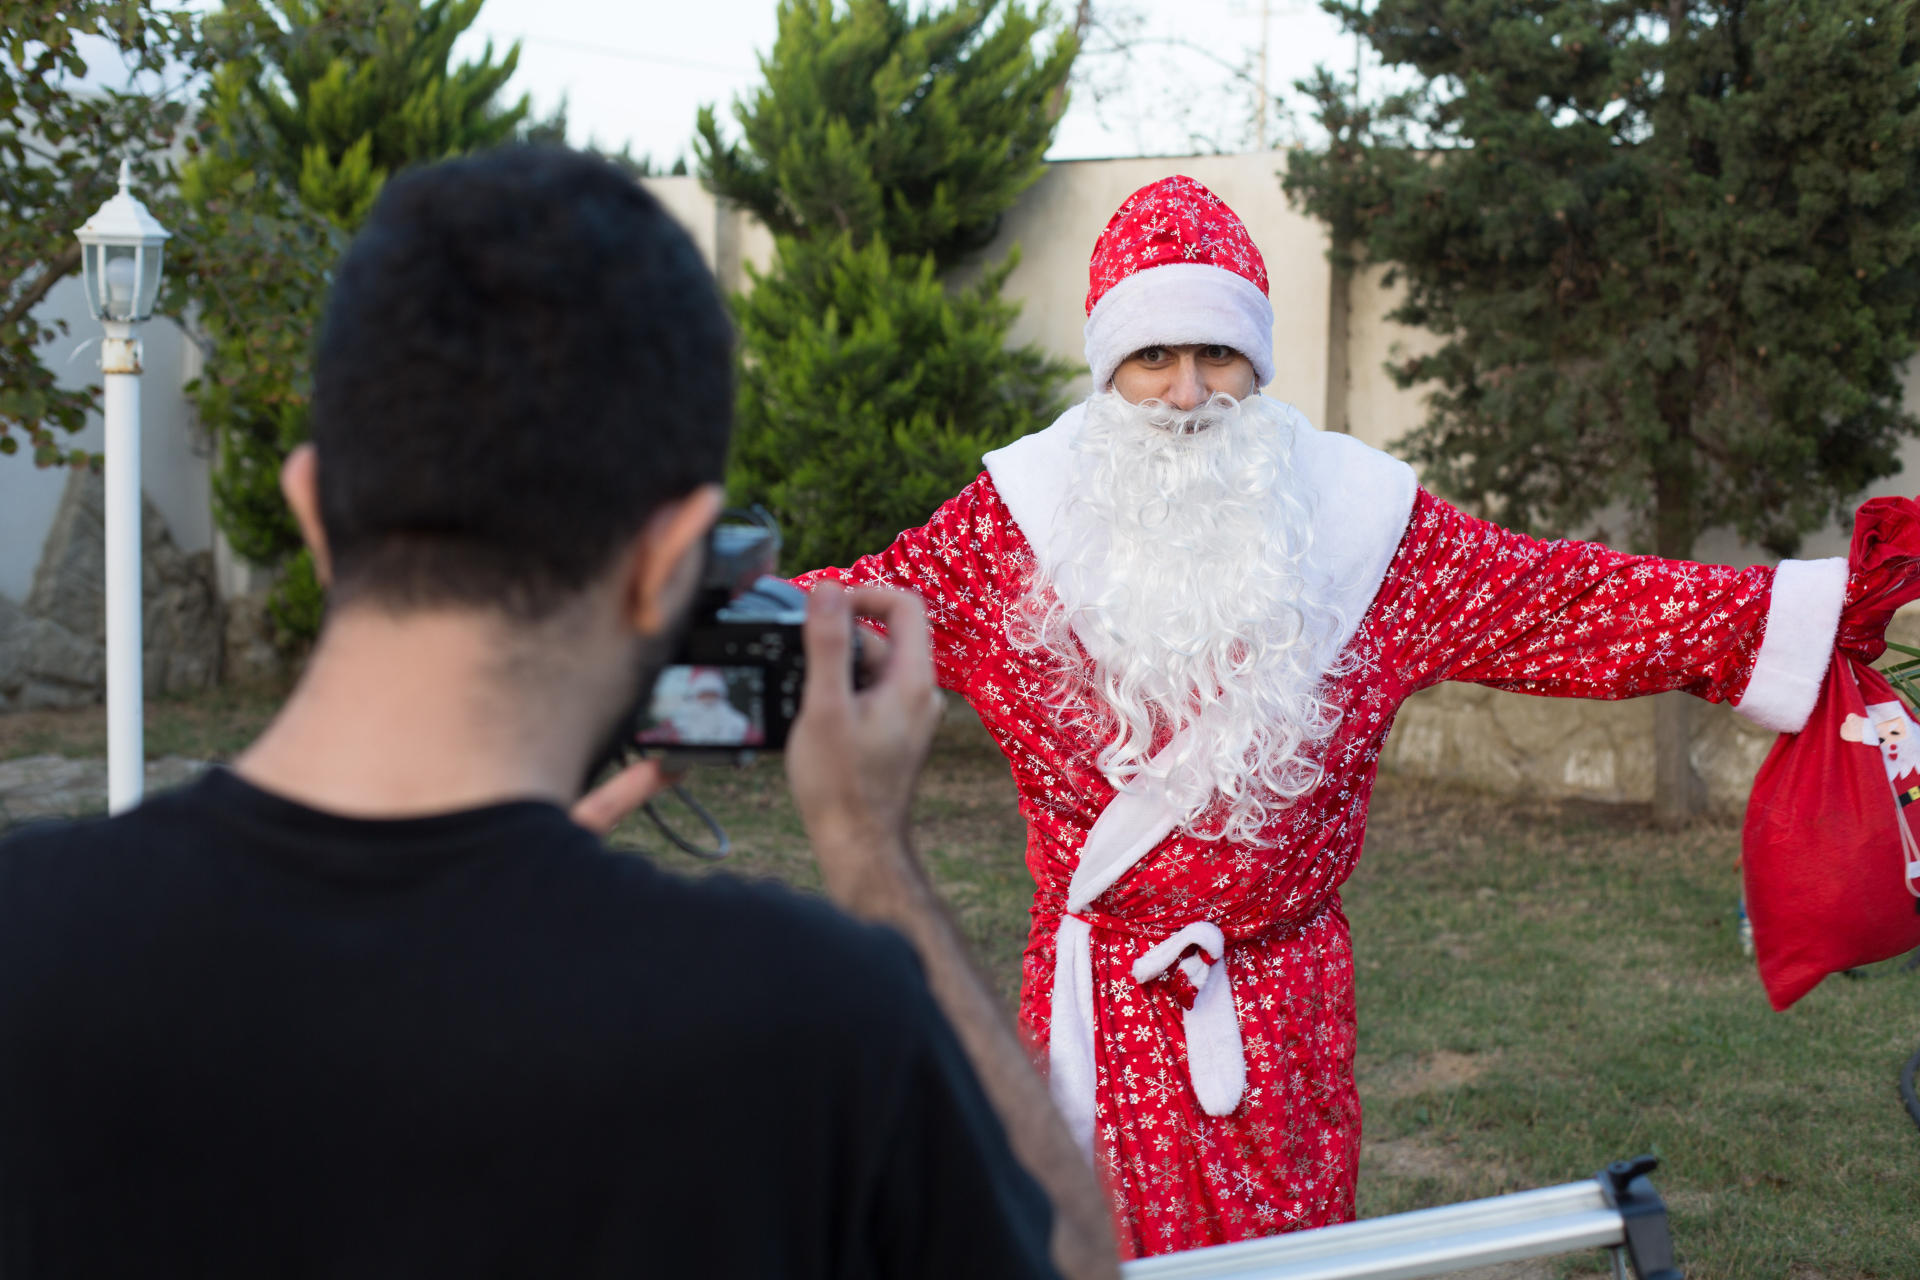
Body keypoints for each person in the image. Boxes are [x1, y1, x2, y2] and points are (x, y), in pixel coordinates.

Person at [0, 148, 1115, 1280]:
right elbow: (1074, 1259)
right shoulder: (807, 1023)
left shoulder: (27, 944)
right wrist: (875, 854)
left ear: (312, 509)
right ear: (670, 561)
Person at [797, 174, 1866, 1259]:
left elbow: (1562, 601)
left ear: (1256, 366)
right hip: (1095, 1006)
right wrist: (664, 623)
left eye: (1216, 354)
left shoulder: (1365, 526)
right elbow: (846, 619)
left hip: (1284, 1007)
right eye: (1152, 356)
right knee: (1081, 1249)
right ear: (1106, 367)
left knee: (1297, 1258)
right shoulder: (1009, 525)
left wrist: (1809, 610)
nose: (1185, 391)